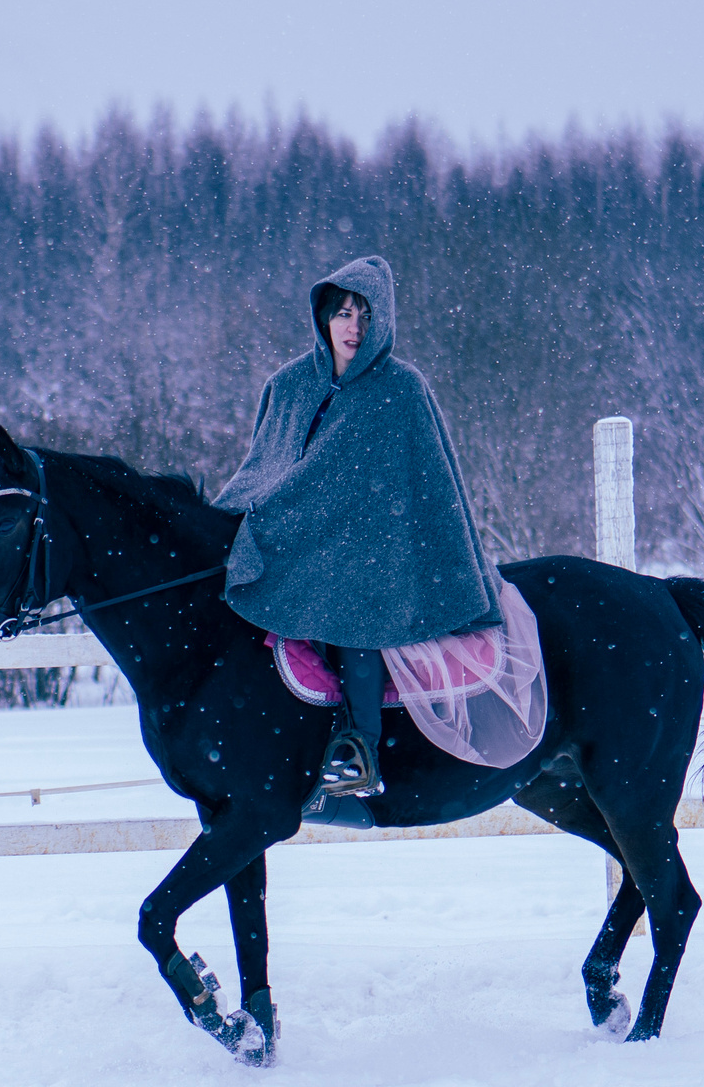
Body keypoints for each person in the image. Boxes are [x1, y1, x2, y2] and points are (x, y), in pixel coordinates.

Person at [212, 255, 504, 799]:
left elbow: (427, 489)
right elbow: (266, 466)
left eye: (366, 316)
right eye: (344, 313)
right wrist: (248, 515)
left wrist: (347, 530)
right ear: (324, 316)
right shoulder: (290, 385)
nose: (354, 327)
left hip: (381, 551)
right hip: (298, 538)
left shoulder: (401, 390)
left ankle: (360, 747)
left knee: (352, 607)